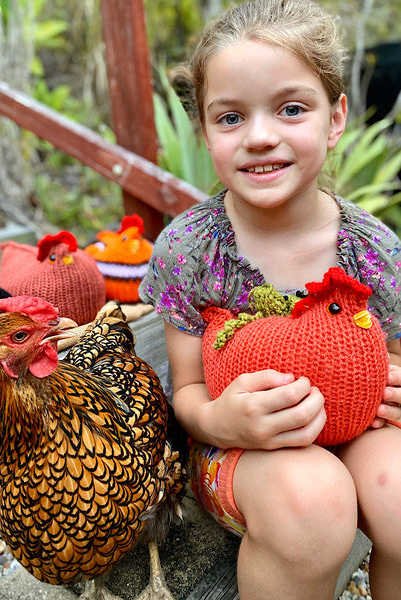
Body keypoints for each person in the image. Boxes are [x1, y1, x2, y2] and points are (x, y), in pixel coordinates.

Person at [139, 1, 401, 598]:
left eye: (290, 108)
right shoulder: (192, 249)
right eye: (230, 118)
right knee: (312, 501)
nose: (260, 137)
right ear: (204, 131)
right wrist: (221, 419)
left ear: (334, 119)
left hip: (356, 429)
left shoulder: (372, 250)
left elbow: (390, 364)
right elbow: (187, 392)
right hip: (240, 451)